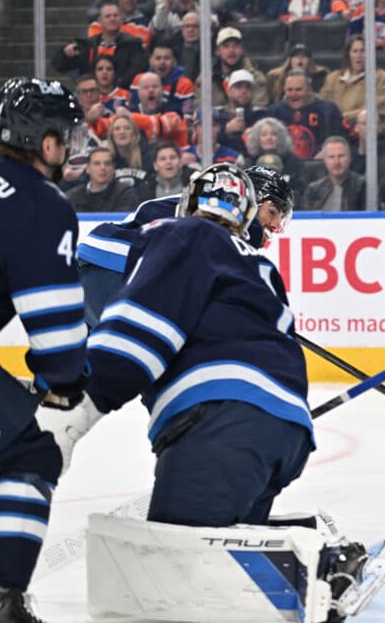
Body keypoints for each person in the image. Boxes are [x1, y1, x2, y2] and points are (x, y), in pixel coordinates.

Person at [80, 162, 314, 546]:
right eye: (273, 212)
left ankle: (187, 433)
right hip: (109, 270)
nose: (273, 227)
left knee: (166, 364)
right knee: (158, 355)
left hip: (104, 276)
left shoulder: (215, 239)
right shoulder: (207, 230)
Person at [0, 77, 89, 621]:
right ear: (45, 143)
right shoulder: (38, 203)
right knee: (30, 456)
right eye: (66, 134)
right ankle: (3, 601)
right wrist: (64, 384)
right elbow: (56, 334)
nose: (72, 145)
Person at [51, 2, 149, 90]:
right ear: (100, 20)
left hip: (122, 94)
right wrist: (64, 54)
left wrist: (113, 85)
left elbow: (138, 69)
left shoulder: (133, 44)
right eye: (108, 16)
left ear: (122, 19)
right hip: (90, 94)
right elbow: (58, 66)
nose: (112, 19)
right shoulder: (87, 45)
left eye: (116, 15)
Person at [267, 69, 348, 160]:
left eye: (298, 90)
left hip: (321, 165)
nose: (294, 94)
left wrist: (328, 151)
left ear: (309, 90)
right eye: (290, 90)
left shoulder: (327, 109)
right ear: (284, 90)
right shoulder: (275, 111)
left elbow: (344, 140)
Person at [320, 34, 385, 122]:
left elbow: (379, 108)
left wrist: (342, 117)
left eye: (363, 51)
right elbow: (323, 106)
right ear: (348, 54)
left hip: (366, 127)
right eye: (355, 51)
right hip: (336, 128)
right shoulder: (332, 78)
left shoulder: (381, 77)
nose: (359, 55)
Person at [198, 26, 271, 108]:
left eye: (236, 46)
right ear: (217, 51)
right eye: (226, 46)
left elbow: (259, 109)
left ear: (242, 49)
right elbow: (199, 110)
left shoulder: (256, 78)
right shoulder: (206, 79)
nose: (231, 50)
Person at [66, 146, 141, 213]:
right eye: (97, 163)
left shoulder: (125, 194)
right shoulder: (72, 196)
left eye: (107, 164)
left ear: (113, 168)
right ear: (88, 168)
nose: (102, 168)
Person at [302, 136, 367, 211]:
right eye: (331, 157)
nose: (336, 162)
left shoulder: (362, 186)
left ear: (349, 158)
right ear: (324, 160)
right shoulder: (314, 189)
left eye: (341, 156)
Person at [267, 43, 332, 103]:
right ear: (290, 60)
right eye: (296, 56)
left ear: (310, 61)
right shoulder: (275, 76)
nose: (300, 59)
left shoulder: (321, 76)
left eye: (304, 56)